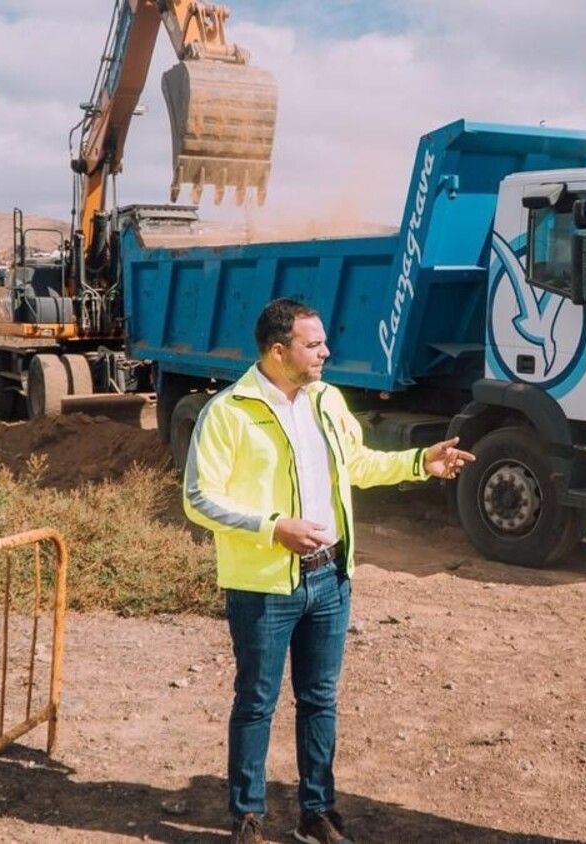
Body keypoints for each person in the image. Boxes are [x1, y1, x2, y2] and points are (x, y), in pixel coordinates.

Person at [183, 298, 473, 844]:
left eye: (322, 342)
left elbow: (357, 464)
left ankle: (317, 813)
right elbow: (199, 497)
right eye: (312, 344)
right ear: (277, 351)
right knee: (256, 702)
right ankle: (248, 817)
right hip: (264, 585)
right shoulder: (228, 412)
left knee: (320, 699)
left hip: (331, 578)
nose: (325, 351)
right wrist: (273, 527)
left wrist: (419, 462)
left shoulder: (327, 400)